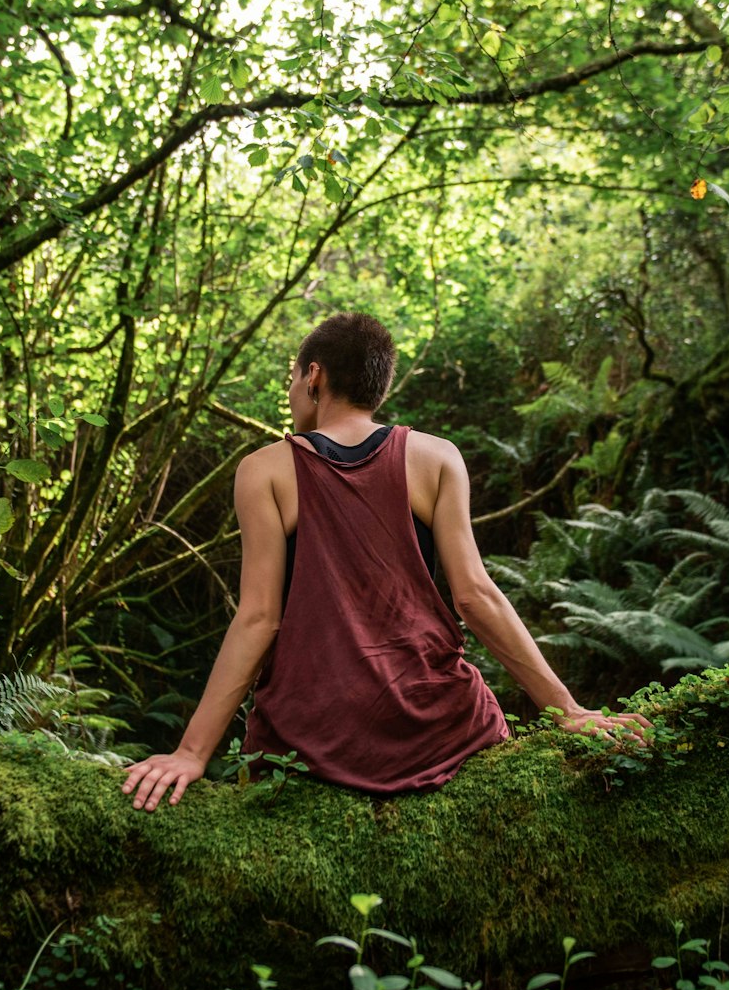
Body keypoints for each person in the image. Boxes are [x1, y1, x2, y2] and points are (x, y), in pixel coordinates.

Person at [121, 312, 651, 812]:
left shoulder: (263, 471)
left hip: (312, 742)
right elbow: (474, 595)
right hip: (441, 729)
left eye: (292, 379)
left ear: (313, 376)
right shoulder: (438, 457)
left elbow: (260, 617)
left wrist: (191, 753)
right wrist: (568, 710)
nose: (291, 393)